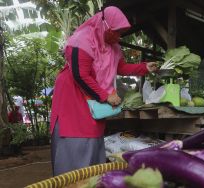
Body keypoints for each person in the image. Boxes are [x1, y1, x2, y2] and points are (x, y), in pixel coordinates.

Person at [50, 6, 157, 176]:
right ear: (105, 25)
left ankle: (91, 181)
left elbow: (121, 67)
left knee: (94, 138)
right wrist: (105, 96)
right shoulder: (82, 41)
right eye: (116, 31)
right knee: (74, 140)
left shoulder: (113, 47)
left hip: (94, 97)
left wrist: (144, 67)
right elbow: (80, 76)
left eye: (121, 32)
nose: (118, 36)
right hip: (73, 96)